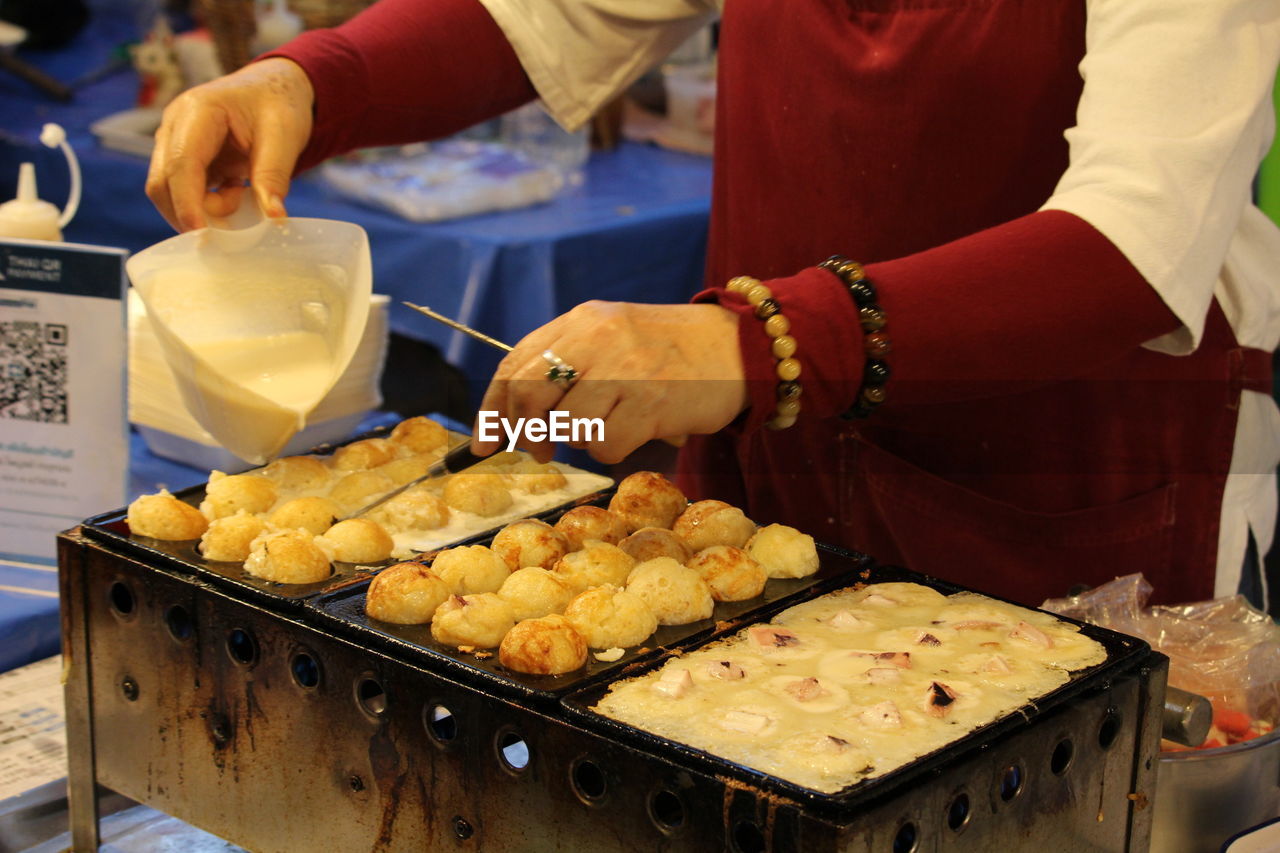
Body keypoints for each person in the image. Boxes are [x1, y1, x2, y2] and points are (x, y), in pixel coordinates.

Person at [146, 0, 1280, 608]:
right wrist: (310, 79)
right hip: (784, 458)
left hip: (1061, 483)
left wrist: (751, 342)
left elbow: (1129, 244)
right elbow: (546, 15)